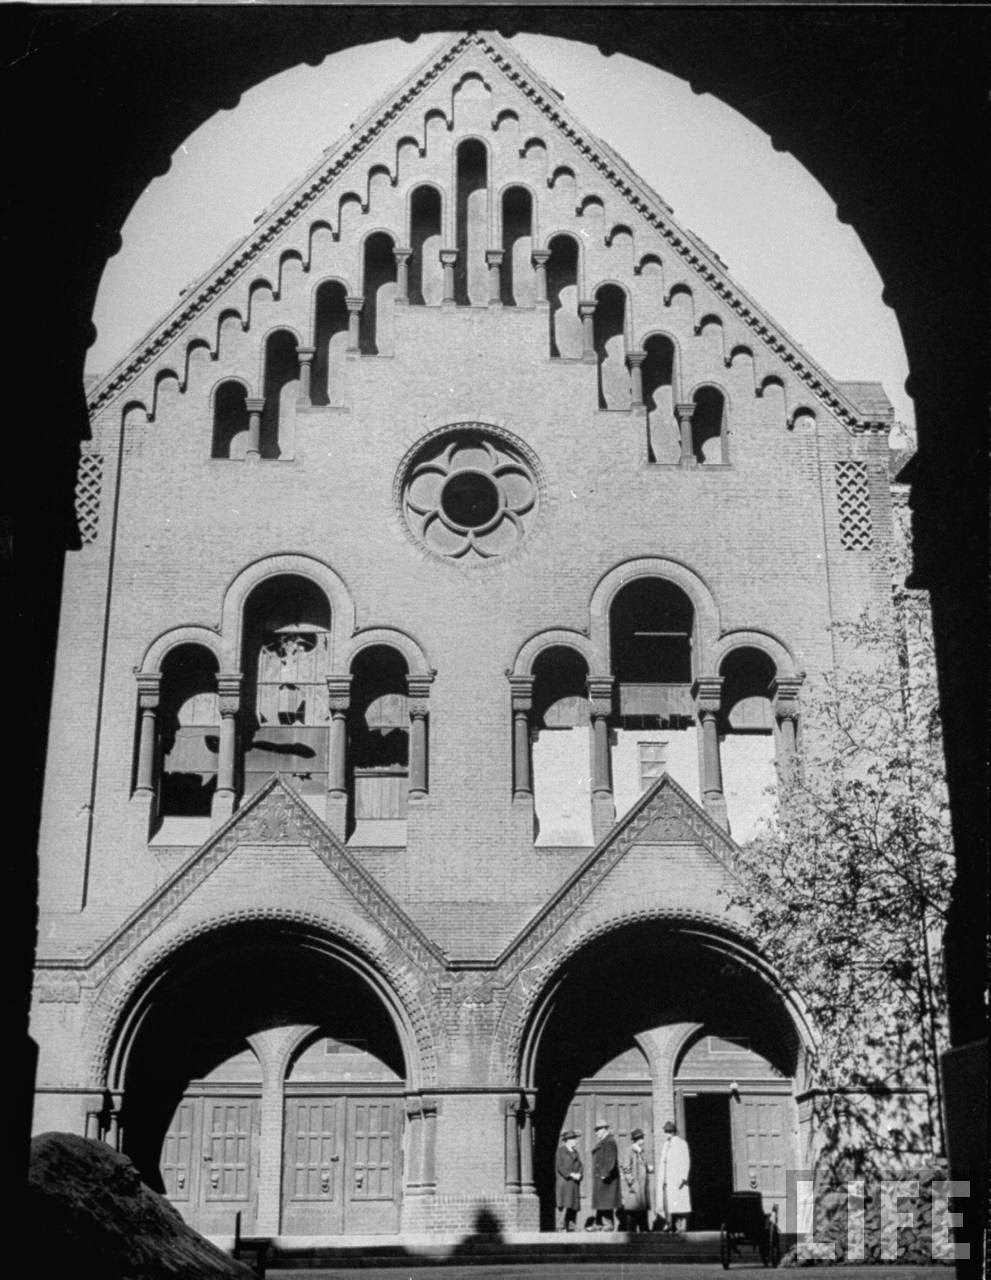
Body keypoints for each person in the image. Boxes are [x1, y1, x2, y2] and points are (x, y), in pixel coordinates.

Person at [657, 1119, 691, 1233]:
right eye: (666, 1132)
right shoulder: (666, 1145)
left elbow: (686, 1160)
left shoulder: (681, 1143)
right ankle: (672, 1225)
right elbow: (664, 1162)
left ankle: (682, 1226)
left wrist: (683, 1177)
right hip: (669, 1178)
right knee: (671, 1204)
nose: (667, 1134)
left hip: (678, 1179)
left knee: (681, 1204)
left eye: (669, 1132)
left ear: (673, 1132)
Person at [589, 1117, 620, 1231]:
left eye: (598, 1130)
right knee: (601, 1201)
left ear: (604, 1129)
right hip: (601, 1176)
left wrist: (605, 1173)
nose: (596, 1132)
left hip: (607, 1177)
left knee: (606, 1201)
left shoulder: (609, 1142)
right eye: (596, 1130)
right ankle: (599, 1223)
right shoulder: (604, 1141)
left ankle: (608, 1224)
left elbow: (611, 1159)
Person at [620, 1126, 652, 1232]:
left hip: (642, 1184)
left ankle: (644, 1228)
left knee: (642, 1207)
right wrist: (631, 1181)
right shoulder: (629, 1150)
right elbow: (626, 1167)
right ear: (638, 1139)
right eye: (641, 1138)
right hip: (635, 1184)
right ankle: (631, 1230)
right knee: (632, 1208)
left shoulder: (641, 1151)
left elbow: (646, 1163)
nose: (643, 1140)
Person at [555, 1129, 583, 1231]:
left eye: (575, 1139)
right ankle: (560, 1226)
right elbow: (560, 1167)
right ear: (567, 1140)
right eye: (573, 1139)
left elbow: (580, 1165)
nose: (575, 1141)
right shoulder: (561, 1151)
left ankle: (571, 1226)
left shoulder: (576, 1152)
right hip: (565, 1182)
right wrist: (571, 1174)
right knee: (564, 1203)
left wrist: (579, 1174)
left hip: (574, 1182)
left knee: (573, 1204)